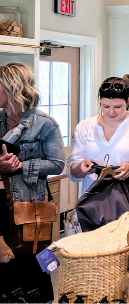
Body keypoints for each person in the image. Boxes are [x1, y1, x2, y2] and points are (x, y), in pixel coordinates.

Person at [0, 62, 65, 302]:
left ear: (11, 88)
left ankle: (43, 299)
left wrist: (20, 166)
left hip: (31, 201)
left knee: (34, 255)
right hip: (2, 201)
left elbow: (58, 164)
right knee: (5, 258)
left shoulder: (45, 124)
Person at [67, 77, 129, 193]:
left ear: (128, 101)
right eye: (106, 106)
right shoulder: (85, 126)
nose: (111, 112)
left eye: (118, 107)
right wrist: (81, 168)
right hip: (92, 202)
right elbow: (72, 170)